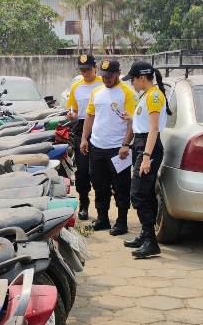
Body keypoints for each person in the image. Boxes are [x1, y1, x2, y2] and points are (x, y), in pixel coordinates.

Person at [80, 60, 137, 235]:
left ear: (118, 74)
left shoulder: (127, 92)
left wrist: (126, 144)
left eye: (110, 76)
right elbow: (90, 117)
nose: (106, 79)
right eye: (104, 76)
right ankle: (102, 219)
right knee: (99, 185)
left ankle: (121, 222)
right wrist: (84, 139)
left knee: (121, 186)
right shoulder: (97, 92)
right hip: (97, 147)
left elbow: (132, 122)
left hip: (117, 150)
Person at [121, 61, 170, 258]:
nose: (131, 83)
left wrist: (147, 157)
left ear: (142, 77)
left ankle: (151, 241)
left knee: (138, 194)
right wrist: (131, 119)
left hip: (148, 147)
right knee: (146, 192)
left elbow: (154, 128)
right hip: (141, 145)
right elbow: (144, 124)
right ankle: (145, 234)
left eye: (132, 79)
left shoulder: (155, 96)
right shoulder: (147, 95)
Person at [66, 54, 102, 220]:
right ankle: (84, 202)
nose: (85, 73)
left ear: (95, 67)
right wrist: (71, 115)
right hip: (81, 130)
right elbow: (72, 109)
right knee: (82, 171)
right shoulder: (76, 87)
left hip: (102, 129)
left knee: (100, 172)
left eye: (87, 69)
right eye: (82, 70)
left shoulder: (104, 83)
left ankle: (103, 209)